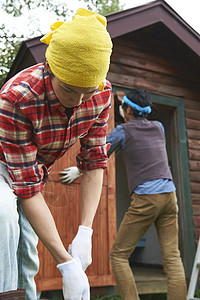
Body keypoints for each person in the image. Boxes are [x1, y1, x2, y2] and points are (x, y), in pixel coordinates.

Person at [0, 8, 112, 300]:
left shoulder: (102, 94)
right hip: (4, 163)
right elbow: (25, 186)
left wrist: (85, 231)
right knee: (4, 220)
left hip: (33, 168)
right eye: (69, 90)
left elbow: (94, 160)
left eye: (87, 92)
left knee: (29, 249)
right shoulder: (17, 98)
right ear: (51, 70)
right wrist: (66, 262)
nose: (78, 102)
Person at [60, 88, 187, 300]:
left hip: (147, 198)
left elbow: (97, 153)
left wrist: (77, 170)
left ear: (127, 109)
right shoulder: (159, 127)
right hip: (169, 196)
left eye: (123, 106)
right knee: (173, 258)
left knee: (118, 256)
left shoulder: (123, 131)